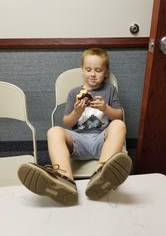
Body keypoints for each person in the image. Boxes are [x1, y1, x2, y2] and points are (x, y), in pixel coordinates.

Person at [18, 48, 132, 205]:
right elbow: (67, 123)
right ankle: (65, 180)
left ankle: (101, 173)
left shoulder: (109, 90)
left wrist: (106, 108)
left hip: (103, 141)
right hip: (79, 142)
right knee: (54, 131)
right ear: (82, 70)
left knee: (119, 125)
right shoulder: (74, 93)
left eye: (98, 70)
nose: (93, 74)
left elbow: (118, 116)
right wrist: (77, 112)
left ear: (105, 73)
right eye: (88, 69)